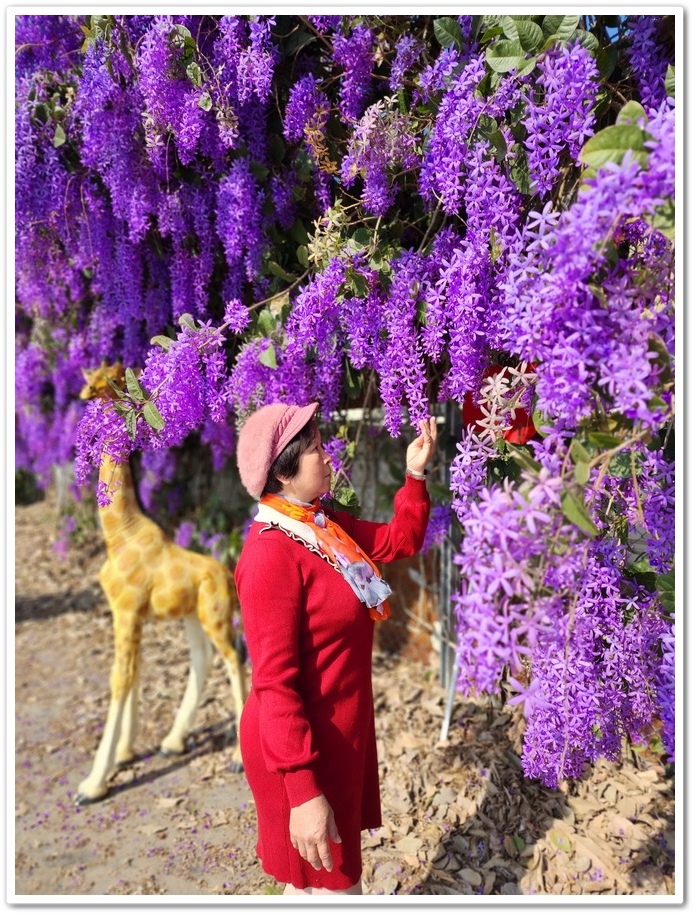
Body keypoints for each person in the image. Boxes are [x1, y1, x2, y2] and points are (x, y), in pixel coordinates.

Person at [234, 401, 437, 895]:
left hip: (337, 734)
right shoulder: (270, 554)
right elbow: (273, 685)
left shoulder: (322, 527)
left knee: (313, 891)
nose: (329, 458)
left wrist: (414, 474)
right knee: (333, 888)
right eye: (317, 450)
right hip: (300, 748)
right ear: (283, 472)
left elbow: (397, 542)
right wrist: (303, 793)